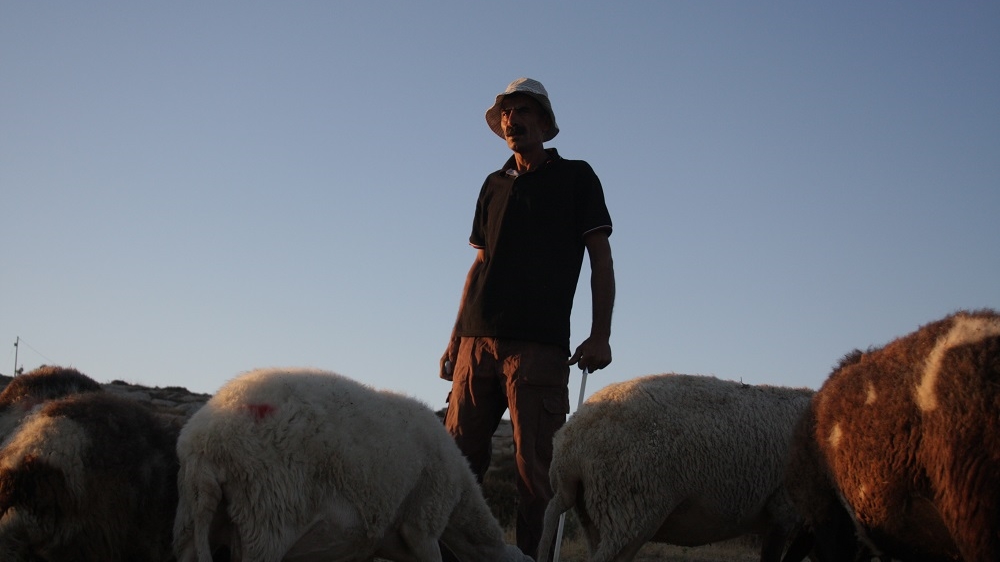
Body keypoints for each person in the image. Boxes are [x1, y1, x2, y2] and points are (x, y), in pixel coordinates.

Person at [439, 77, 615, 559]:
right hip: (477, 342)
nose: (512, 121)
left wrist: (600, 335)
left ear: (544, 121)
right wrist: (455, 340)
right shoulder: (493, 184)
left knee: (536, 474)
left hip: (538, 348)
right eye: (505, 115)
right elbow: (479, 265)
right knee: (454, 465)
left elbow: (600, 257)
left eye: (522, 111)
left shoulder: (577, 177)